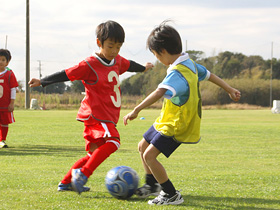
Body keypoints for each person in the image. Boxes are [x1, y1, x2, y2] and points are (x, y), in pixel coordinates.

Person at [29, 20, 153, 194]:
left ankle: (65, 183)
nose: (115, 51)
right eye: (110, 46)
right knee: (114, 142)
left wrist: (143, 68)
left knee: (92, 154)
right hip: (96, 115)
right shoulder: (89, 64)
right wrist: (43, 81)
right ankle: (83, 174)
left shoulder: (117, 60)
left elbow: (129, 64)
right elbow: (67, 73)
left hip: (107, 116)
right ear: (99, 43)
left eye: (118, 47)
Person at [123, 22, 241, 206]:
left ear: (162, 51)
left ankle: (170, 194)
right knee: (142, 146)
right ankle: (152, 185)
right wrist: (229, 88)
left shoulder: (177, 73)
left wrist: (136, 110)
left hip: (177, 124)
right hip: (167, 119)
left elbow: (159, 92)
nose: (157, 59)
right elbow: (210, 75)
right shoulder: (190, 65)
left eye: (155, 55)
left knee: (149, 156)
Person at [0, 49, 18, 149]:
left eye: (3, 60)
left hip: (5, 104)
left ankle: (2, 140)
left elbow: (13, 89)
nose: (0, 62)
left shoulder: (10, 74)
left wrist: (12, 103)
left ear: (7, 62)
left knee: (4, 122)